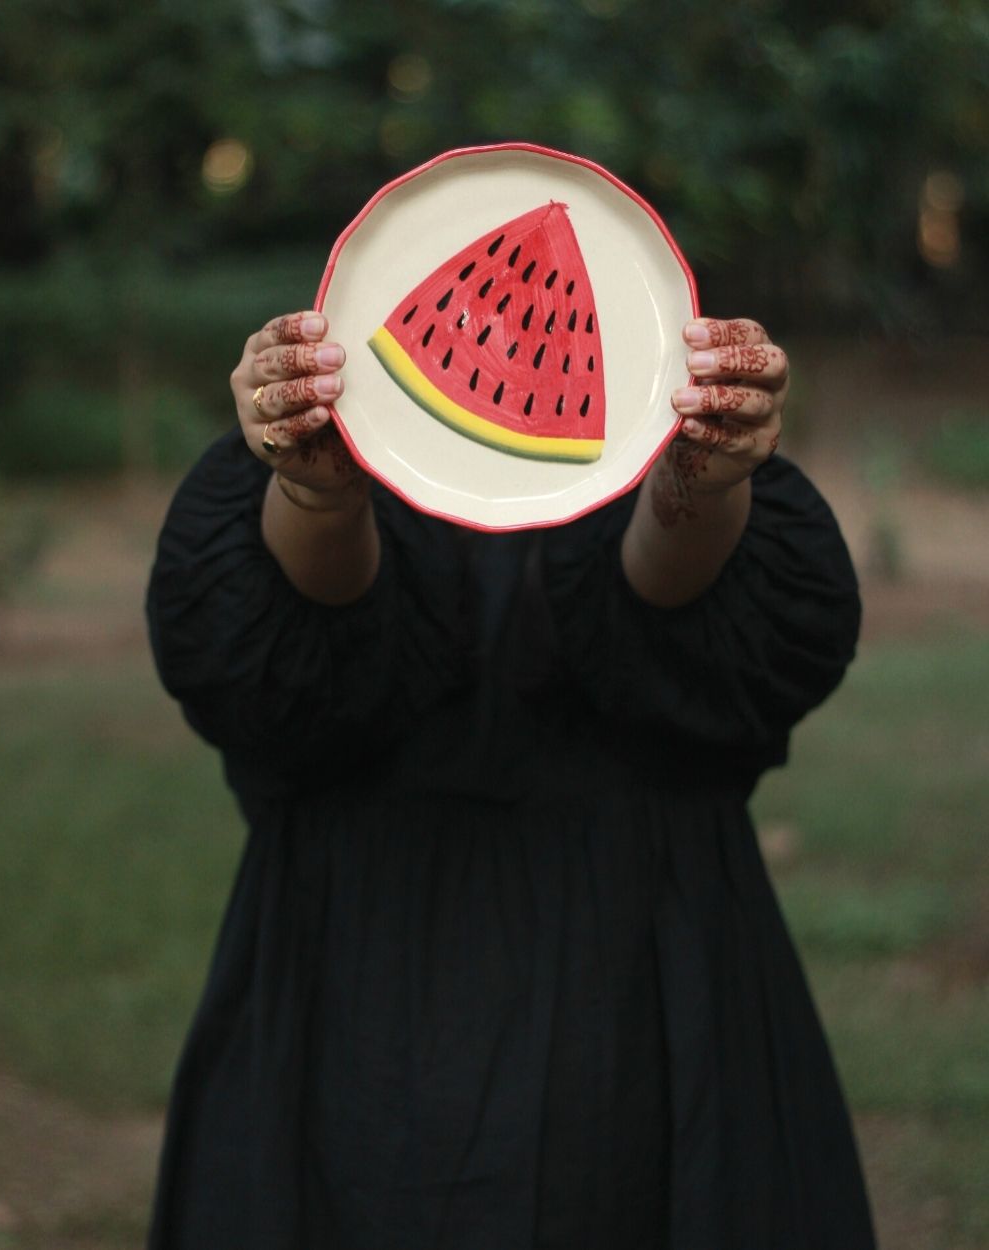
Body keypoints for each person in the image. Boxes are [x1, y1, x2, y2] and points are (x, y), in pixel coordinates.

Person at [146, 310, 876, 1249]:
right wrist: (318, 491)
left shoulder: (662, 427)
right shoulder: (302, 462)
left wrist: (697, 475)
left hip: (639, 1009)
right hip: (357, 1008)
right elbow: (293, 652)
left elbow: (672, 592)